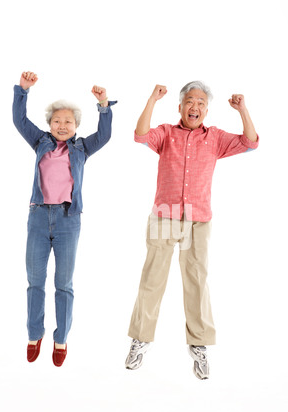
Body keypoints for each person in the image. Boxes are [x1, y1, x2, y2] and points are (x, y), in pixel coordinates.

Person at [125, 81, 259, 379]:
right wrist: (152, 99)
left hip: (199, 218)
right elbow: (140, 135)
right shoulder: (167, 134)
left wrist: (242, 110)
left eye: (200, 102)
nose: (194, 106)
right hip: (165, 214)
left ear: (206, 110)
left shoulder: (215, 139)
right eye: (189, 101)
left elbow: (251, 143)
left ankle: (199, 346)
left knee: (197, 281)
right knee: (152, 278)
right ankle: (140, 339)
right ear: (180, 107)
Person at [13, 71, 116, 367]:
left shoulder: (81, 148)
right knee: (35, 281)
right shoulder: (40, 142)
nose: (61, 125)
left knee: (64, 283)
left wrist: (103, 105)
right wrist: (23, 91)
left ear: (76, 126)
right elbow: (19, 120)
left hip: (68, 221)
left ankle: (61, 338)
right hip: (38, 217)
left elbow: (105, 135)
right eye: (56, 121)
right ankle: (35, 334)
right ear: (49, 125)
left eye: (67, 122)